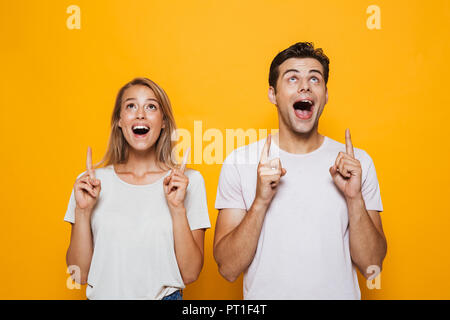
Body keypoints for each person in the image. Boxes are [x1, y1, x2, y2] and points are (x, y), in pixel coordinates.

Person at [213, 42, 387, 299]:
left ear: (325, 95)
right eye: (292, 78)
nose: (305, 86)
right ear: (273, 94)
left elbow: (372, 266)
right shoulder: (240, 162)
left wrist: (354, 198)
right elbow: (228, 268)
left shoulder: (357, 163)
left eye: (314, 79)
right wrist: (260, 201)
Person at [64, 77, 210, 300]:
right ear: (119, 121)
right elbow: (79, 274)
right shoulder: (91, 183)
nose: (140, 114)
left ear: (163, 122)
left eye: (151, 106)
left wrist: (177, 208)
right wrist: (82, 212)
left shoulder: (187, 182)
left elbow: (190, 273)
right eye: (131, 106)